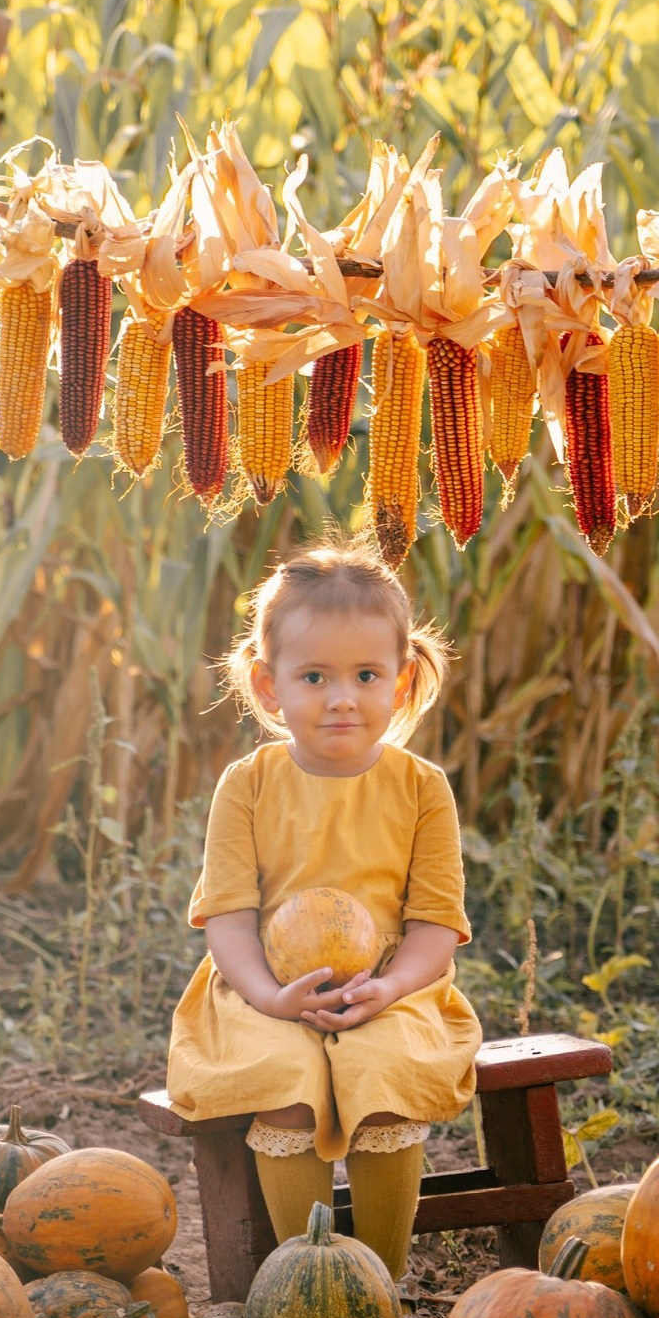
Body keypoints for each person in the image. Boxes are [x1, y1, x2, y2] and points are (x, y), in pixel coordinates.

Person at [165, 535, 482, 1279]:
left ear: (400, 684)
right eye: (314, 675)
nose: (342, 696)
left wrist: (390, 987)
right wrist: (272, 997)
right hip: (262, 990)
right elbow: (231, 921)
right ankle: (301, 1285)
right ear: (269, 686)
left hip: (392, 987)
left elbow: (436, 925)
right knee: (285, 1080)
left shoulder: (421, 788)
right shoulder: (247, 786)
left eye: (366, 674)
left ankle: (378, 1281)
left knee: (383, 1076)